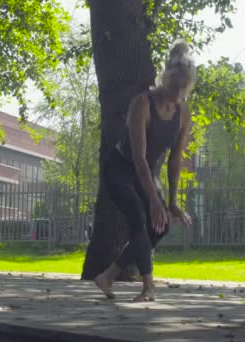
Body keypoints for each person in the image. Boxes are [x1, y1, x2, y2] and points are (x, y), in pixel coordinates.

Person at [94, 39, 196, 302]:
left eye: (184, 89)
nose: (178, 95)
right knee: (140, 216)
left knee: (160, 228)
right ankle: (148, 287)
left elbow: (175, 161)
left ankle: (107, 277)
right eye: (175, 87)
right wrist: (153, 200)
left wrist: (171, 202)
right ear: (166, 79)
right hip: (120, 168)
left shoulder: (183, 113)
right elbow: (138, 158)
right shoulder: (142, 104)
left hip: (144, 173)